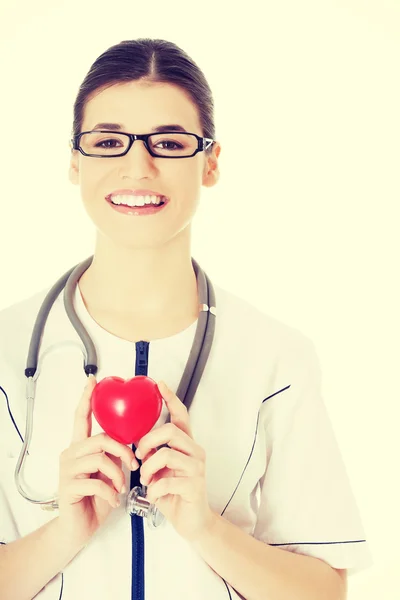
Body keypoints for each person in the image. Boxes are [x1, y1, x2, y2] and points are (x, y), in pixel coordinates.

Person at [0, 38, 372, 600]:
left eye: (170, 143)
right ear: (75, 160)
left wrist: (203, 525)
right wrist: (63, 533)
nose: (137, 166)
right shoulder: (6, 348)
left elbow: (323, 592)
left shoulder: (276, 357)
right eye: (107, 141)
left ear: (211, 163)